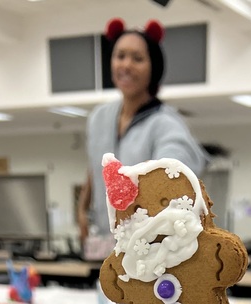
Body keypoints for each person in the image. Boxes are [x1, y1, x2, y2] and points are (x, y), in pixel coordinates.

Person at [77, 18, 207, 256]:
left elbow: (173, 180)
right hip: (105, 243)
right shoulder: (99, 118)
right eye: (120, 56)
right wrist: (81, 212)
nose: (126, 65)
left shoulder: (166, 124)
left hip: (151, 248)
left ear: (153, 68)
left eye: (137, 58)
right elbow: (94, 170)